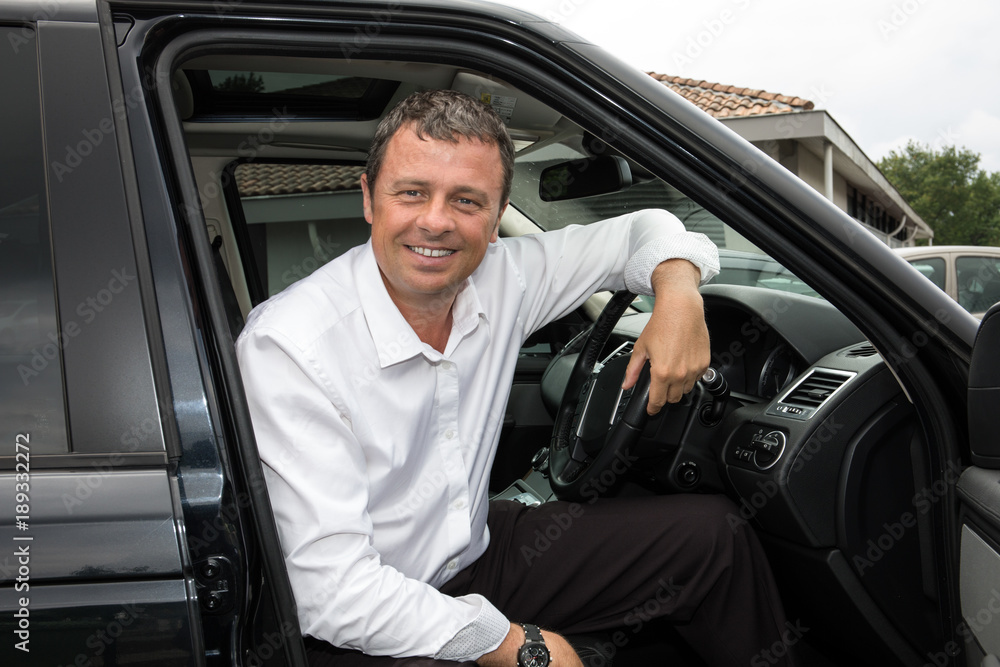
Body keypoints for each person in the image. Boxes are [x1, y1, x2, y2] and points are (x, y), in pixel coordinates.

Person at [237, 89, 796, 667]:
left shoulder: (505, 278)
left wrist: (678, 295)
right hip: (369, 619)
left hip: (474, 555)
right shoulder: (291, 345)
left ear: (498, 216)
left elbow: (646, 228)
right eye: (411, 193)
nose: (436, 222)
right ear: (369, 200)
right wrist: (514, 644)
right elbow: (333, 593)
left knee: (712, 540)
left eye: (467, 201)